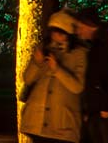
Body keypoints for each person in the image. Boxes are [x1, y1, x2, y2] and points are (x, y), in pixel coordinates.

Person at [19, 10, 90, 143]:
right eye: (53, 31)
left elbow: (77, 87)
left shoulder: (79, 54)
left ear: (69, 34)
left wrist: (57, 69)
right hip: (37, 121)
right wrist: (37, 63)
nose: (56, 36)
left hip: (62, 124)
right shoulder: (44, 48)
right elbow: (28, 79)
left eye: (60, 32)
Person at [73, 11, 108, 143]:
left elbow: (106, 77)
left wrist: (106, 106)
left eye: (80, 27)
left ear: (90, 26)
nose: (78, 32)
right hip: (97, 109)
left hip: (102, 110)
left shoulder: (103, 46)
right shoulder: (97, 46)